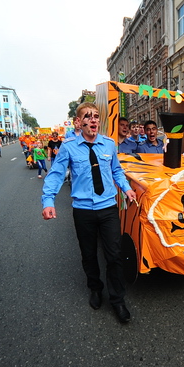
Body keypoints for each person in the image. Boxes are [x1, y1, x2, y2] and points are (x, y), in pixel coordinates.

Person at [41, 103, 137, 323]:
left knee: (114, 255)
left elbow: (116, 171)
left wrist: (126, 188)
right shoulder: (68, 147)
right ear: (78, 122)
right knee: (89, 254)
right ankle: (95, 288)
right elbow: (56, 174)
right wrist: (48, 201)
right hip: (83, 210)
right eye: (87, 116)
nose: (93, 120)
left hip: (107, 208)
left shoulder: (109, 144)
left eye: (96, 116)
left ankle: (117, 300)